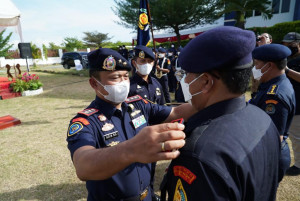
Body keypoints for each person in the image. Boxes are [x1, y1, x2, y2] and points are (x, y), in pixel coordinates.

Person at [161, 26, 280, 201]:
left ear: (206, 82)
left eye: (186, 74)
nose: (183, 81)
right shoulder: (262, 117)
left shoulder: (200, 153)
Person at [66, 48, 196, 201]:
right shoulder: (86, 122)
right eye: (115, 78)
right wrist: (131, 150)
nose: (122, 83)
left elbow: (176, 113)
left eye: (126, 76)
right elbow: (83, 166)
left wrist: (210, 98)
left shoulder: (139, 105)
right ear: (94, 83)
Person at [250, 44, 295, 182]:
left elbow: (274, 136)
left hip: (269, 156)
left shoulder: (274, 95)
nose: (254, 68)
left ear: (269, 66)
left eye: (257, 64)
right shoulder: (272, 84)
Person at [282, 32, 300, 175]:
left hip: (299, 104)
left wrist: (287, 71)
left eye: (291, 44)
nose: (288, 47)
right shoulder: (287, 58)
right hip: (291, 100)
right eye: (286, 44)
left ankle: (299, 165)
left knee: (296, 136)